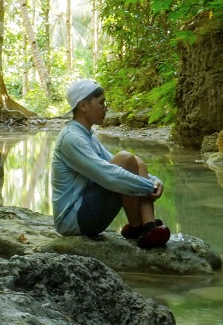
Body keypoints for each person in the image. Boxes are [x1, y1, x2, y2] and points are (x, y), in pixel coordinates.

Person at [51, 78, 171, 248]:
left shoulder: (87, 135)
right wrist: (148, 186)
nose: (105, 108)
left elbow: (115, 166)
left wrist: (154, 181)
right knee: (126, 159)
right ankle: (139, 227)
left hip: (85, 214)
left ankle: (146, 226)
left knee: (136, 161)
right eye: (101, 103)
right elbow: (109, 175)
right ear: (83, 106)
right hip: (73, 221)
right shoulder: (71, 138)